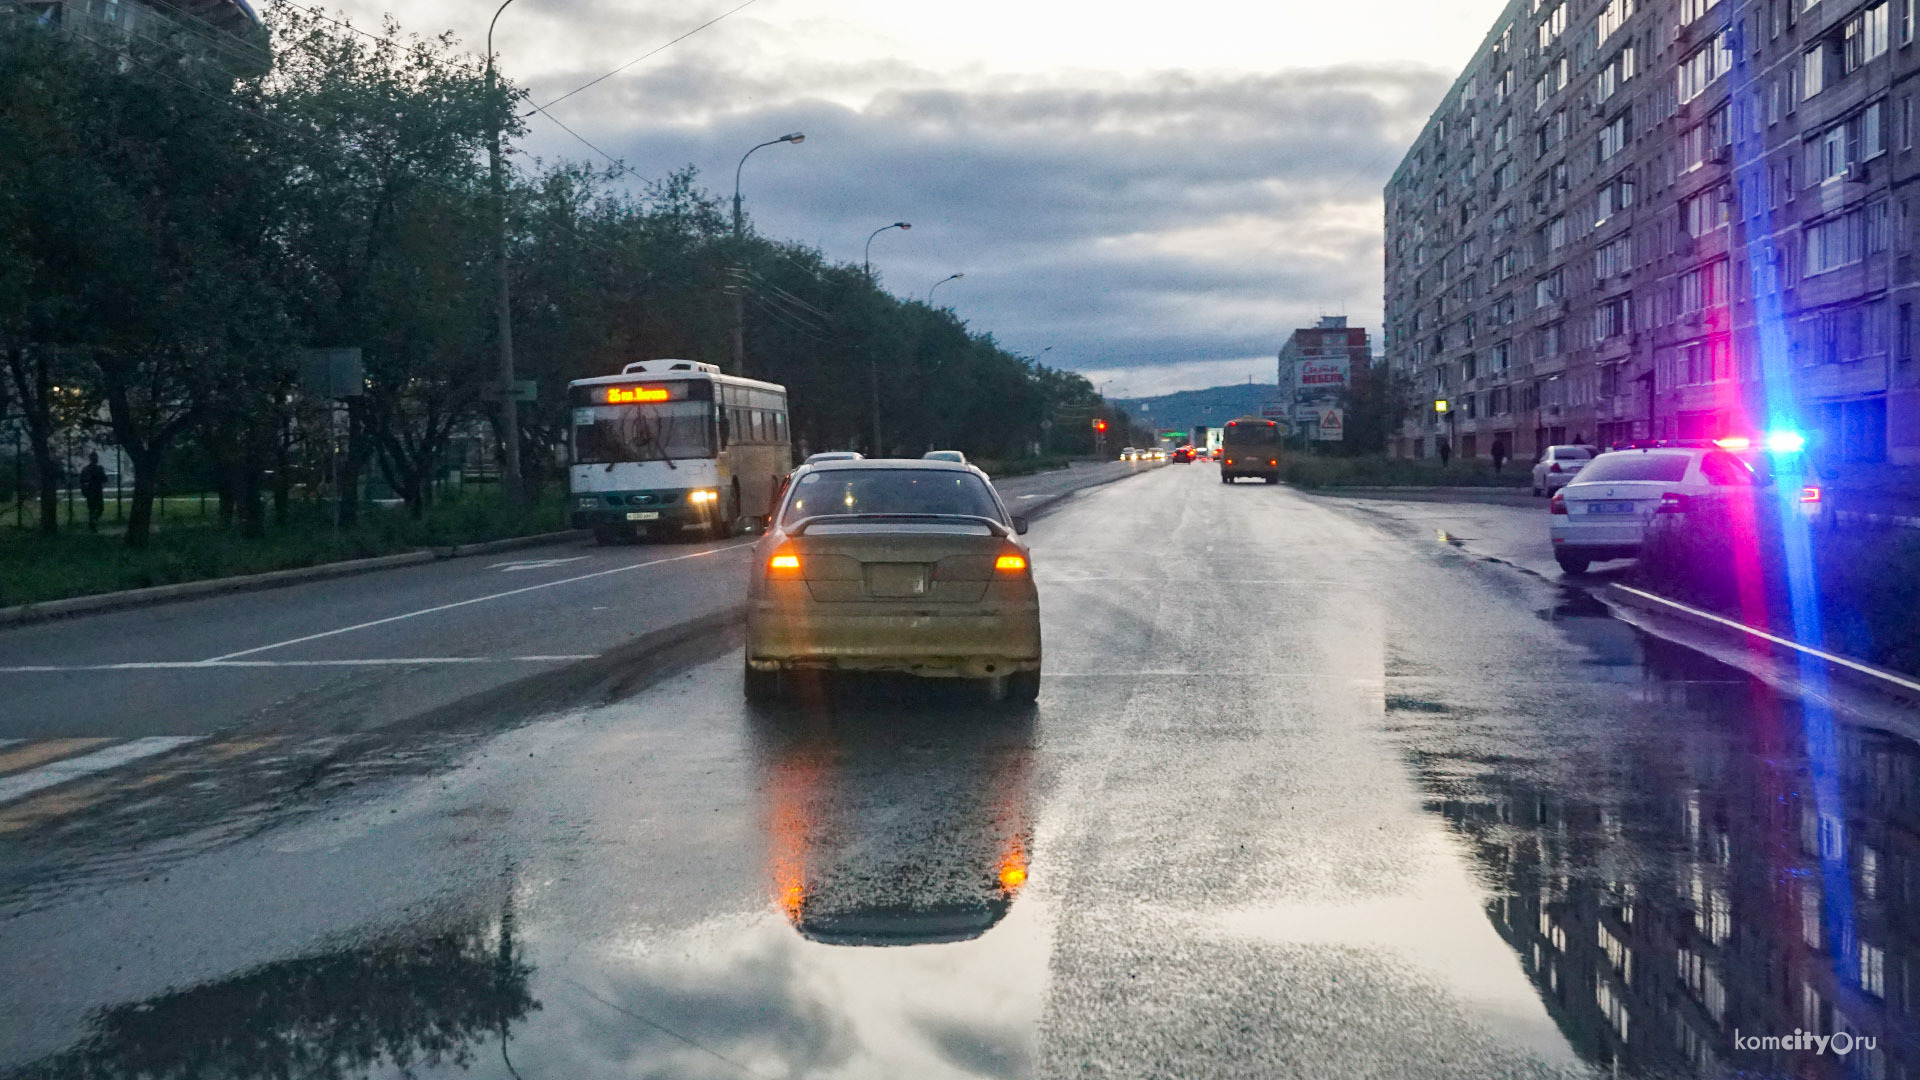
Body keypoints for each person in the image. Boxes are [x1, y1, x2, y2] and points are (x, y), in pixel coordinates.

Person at [79, 452, 108, 533]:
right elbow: (105, 479)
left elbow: (81, 480)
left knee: (93, 509)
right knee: (99, 508)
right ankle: (93, 522)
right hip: (96, 491)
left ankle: (92, 523)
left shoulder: (87, 469)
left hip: (91, 491)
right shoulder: (98, 468)